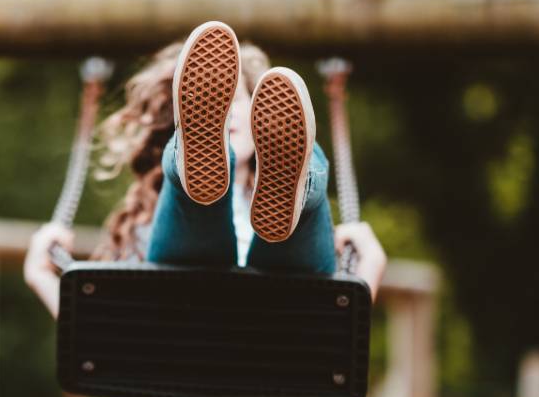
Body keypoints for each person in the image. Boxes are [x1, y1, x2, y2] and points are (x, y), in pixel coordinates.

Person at [24, 21, 386, 318]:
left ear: (264, 112)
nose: (226, 111)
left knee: (294, 225)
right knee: (189, 210)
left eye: (236, 100)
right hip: (244, 320)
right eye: (215, 104)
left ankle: (296, 186)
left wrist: (43, 275)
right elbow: (338, 338)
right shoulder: (142, 224)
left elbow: (99, 341)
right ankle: (193, 173)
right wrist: (368, 269)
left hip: (280, 308)